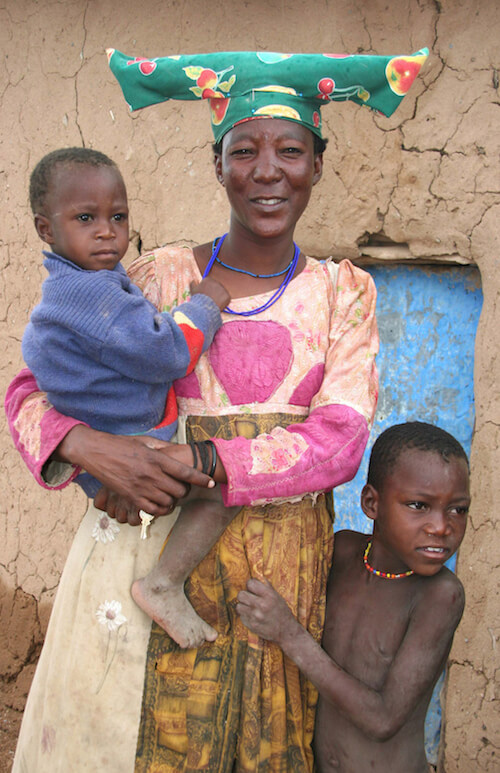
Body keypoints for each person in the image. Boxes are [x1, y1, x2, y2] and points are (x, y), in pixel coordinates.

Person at [6, 48, 427, 773]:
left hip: (277, 585)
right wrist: (85, 447)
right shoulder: (160, 275)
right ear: (217, 163)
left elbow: (338, 441)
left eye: (291, 150)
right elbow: (28, 389)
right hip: (139, 565)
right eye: (245, 151)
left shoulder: (343, 294)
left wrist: (203, 457)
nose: (268, 171)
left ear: (317, 166)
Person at [23, 146, 242, 648]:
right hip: (131, 444)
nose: (106, 231)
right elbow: (165, 353)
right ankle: (163, 584)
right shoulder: (92, 293)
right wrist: (206, 304)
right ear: (45, 229)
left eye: (117, 217)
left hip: (103, 450)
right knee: (224, 490)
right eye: (86, 218)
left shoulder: (74, 286)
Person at [236, 422, 469, 773]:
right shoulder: (342, 552)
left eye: (458, 509)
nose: (441, 526)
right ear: (372, 503)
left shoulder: (439, 597)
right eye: (419, 505)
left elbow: (383, 719)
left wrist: (287, 633)